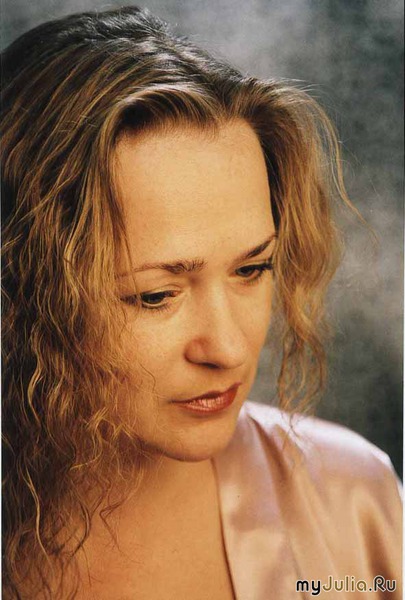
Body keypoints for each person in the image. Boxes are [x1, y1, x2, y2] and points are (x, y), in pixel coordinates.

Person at [1, 6, 401, 600]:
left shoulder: (352, 504)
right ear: (22, 291)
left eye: (252, 269)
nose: (230, 349)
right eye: (156, 295)